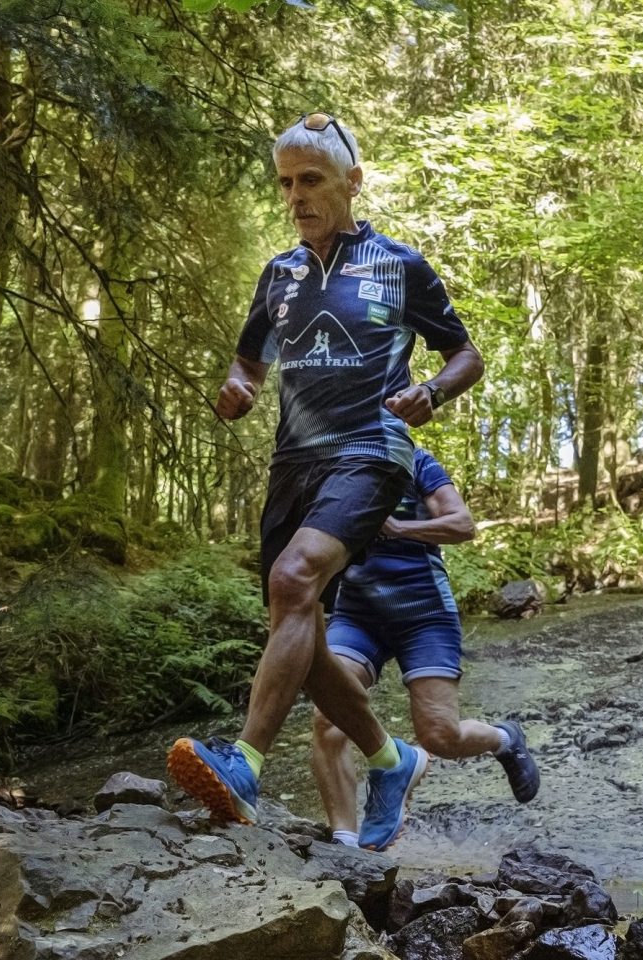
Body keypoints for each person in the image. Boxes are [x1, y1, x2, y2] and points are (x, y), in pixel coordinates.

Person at [168, 113, 485, 845]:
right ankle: (390, 757)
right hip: (294, 461)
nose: (296, 196)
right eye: (285, 183)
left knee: (293, 580)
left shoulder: (400, 265)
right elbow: (250, 360)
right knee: (298, 632)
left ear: (352, 181)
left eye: (310, 180)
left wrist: (432, 393)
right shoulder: (278, 275)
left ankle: (244, 764)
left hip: (371, 448)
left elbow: (465, 354)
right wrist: (237, 387)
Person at [309, 446, 540, 851]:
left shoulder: (415, 461)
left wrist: (400, 529)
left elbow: (463, 524)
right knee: (327, 714)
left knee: (439, 738)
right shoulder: (334, 463)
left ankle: (504, 738)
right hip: (358, 611)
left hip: (424, 611)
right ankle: (345, 845)